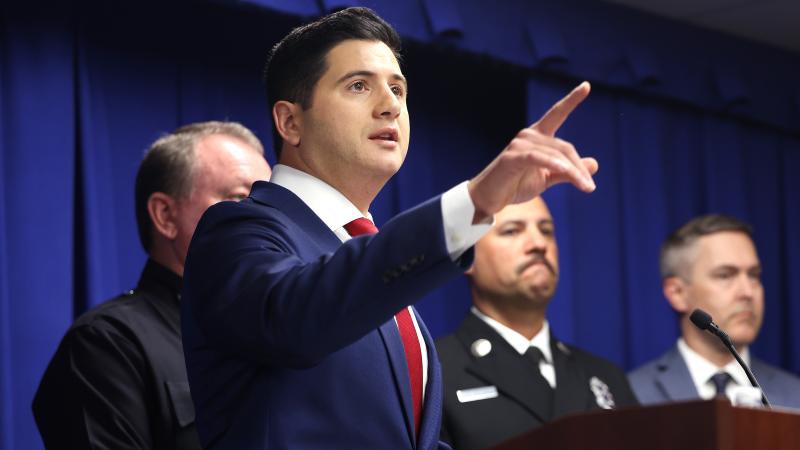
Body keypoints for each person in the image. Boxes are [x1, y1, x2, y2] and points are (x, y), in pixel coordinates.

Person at [181, 7, 598, 450]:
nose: (390, 105)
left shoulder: (371, 255)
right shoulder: (237, 229)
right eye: (358, 86)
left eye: (397, 88)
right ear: (290, 122)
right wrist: (474, 202)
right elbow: (298, 317)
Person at [31, 121, 272, 450]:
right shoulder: (108, 344)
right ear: (165, 216)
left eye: (268, 202)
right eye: (240, 197)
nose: (267, 219)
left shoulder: (277, 332)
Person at [435, 197, 638, 450]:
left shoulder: (605, 376)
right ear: (467, 256)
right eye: (512, 231)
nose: (539, 244)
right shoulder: (435, 373)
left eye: (547, 231)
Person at [628, 214, 800, 409]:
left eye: (754, 275)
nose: (747, 292)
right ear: (677, 293)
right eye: (725, 275)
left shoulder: (795, 395)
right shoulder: (632, 394)